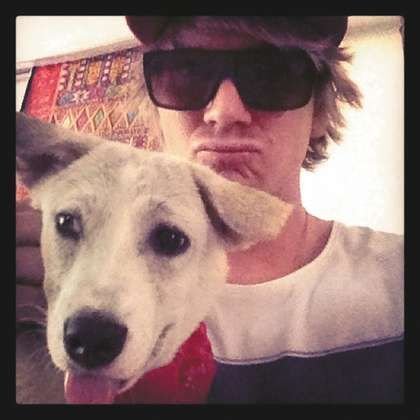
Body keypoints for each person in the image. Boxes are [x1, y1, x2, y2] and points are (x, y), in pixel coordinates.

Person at [16, 16, 403, 403]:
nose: (224, 111)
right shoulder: (44, 304)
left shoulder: (397, 280)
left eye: (271, 75)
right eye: (185, 73)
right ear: (156, 109)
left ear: (319, 111)